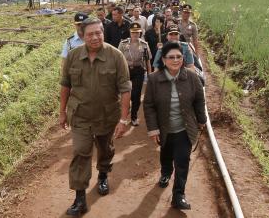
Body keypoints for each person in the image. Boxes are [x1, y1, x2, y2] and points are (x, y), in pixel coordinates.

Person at [60, 17, 132, 216]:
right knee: (80, 152)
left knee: (105, 148)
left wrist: (124, 119)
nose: (95, 37)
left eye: (98, 33)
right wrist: (62, 112)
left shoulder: (116, 56)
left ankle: (102, 174)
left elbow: (126, 89)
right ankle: (80, 198)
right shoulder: (73, 56)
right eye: (90, 34)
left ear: (103, 33)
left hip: (106, 116)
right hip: (80, 116)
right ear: (82, 36)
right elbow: (65, 85)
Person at [143, 42, 206, 211]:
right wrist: (153, 128)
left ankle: (178, 195)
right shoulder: (154, 79)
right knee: (166, 155)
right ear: (163, 60)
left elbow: (200, 100)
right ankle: (165, 172)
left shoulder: (191, 77)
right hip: (164, 128)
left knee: (182, 161)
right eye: (171, 57)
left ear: (183, 58)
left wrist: (202, 120)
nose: (176, 60)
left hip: (184, 129)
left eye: (179, 56)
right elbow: (148, 105)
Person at [118, 22, 152, 126]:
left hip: (139, 71)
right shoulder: (123, 44)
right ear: (130, 32)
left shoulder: (144, 45)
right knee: (124, 93)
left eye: (137, 32)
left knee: (136, 95)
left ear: (140, 32)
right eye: (133, 32)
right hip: (125, 70)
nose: (135, 34)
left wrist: (150, 74)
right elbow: (118, 59)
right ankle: (124, 112)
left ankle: (134, 116)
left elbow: (147, 61)